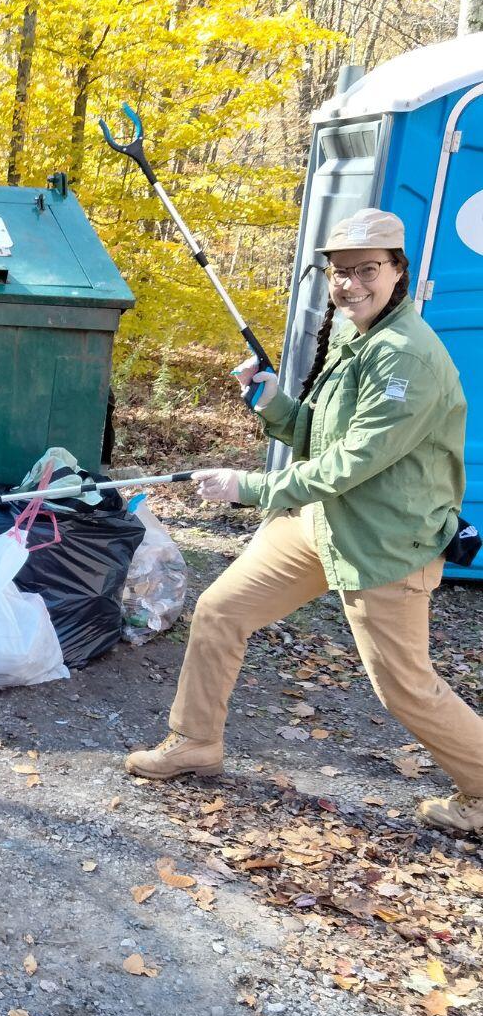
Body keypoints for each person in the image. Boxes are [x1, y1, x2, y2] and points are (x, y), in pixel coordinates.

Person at [124, 207, 483, 835]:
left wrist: (247, 486)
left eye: (366, 270)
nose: (349, 284)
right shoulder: (353, 334)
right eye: (338, 273)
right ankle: (195, 741)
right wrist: (273, 405)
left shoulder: (407, 360)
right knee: (220, 609)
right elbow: (321, 436)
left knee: (406, 688)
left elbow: (350, 464)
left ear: (398, 271)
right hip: (321, 521)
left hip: (385, 542)